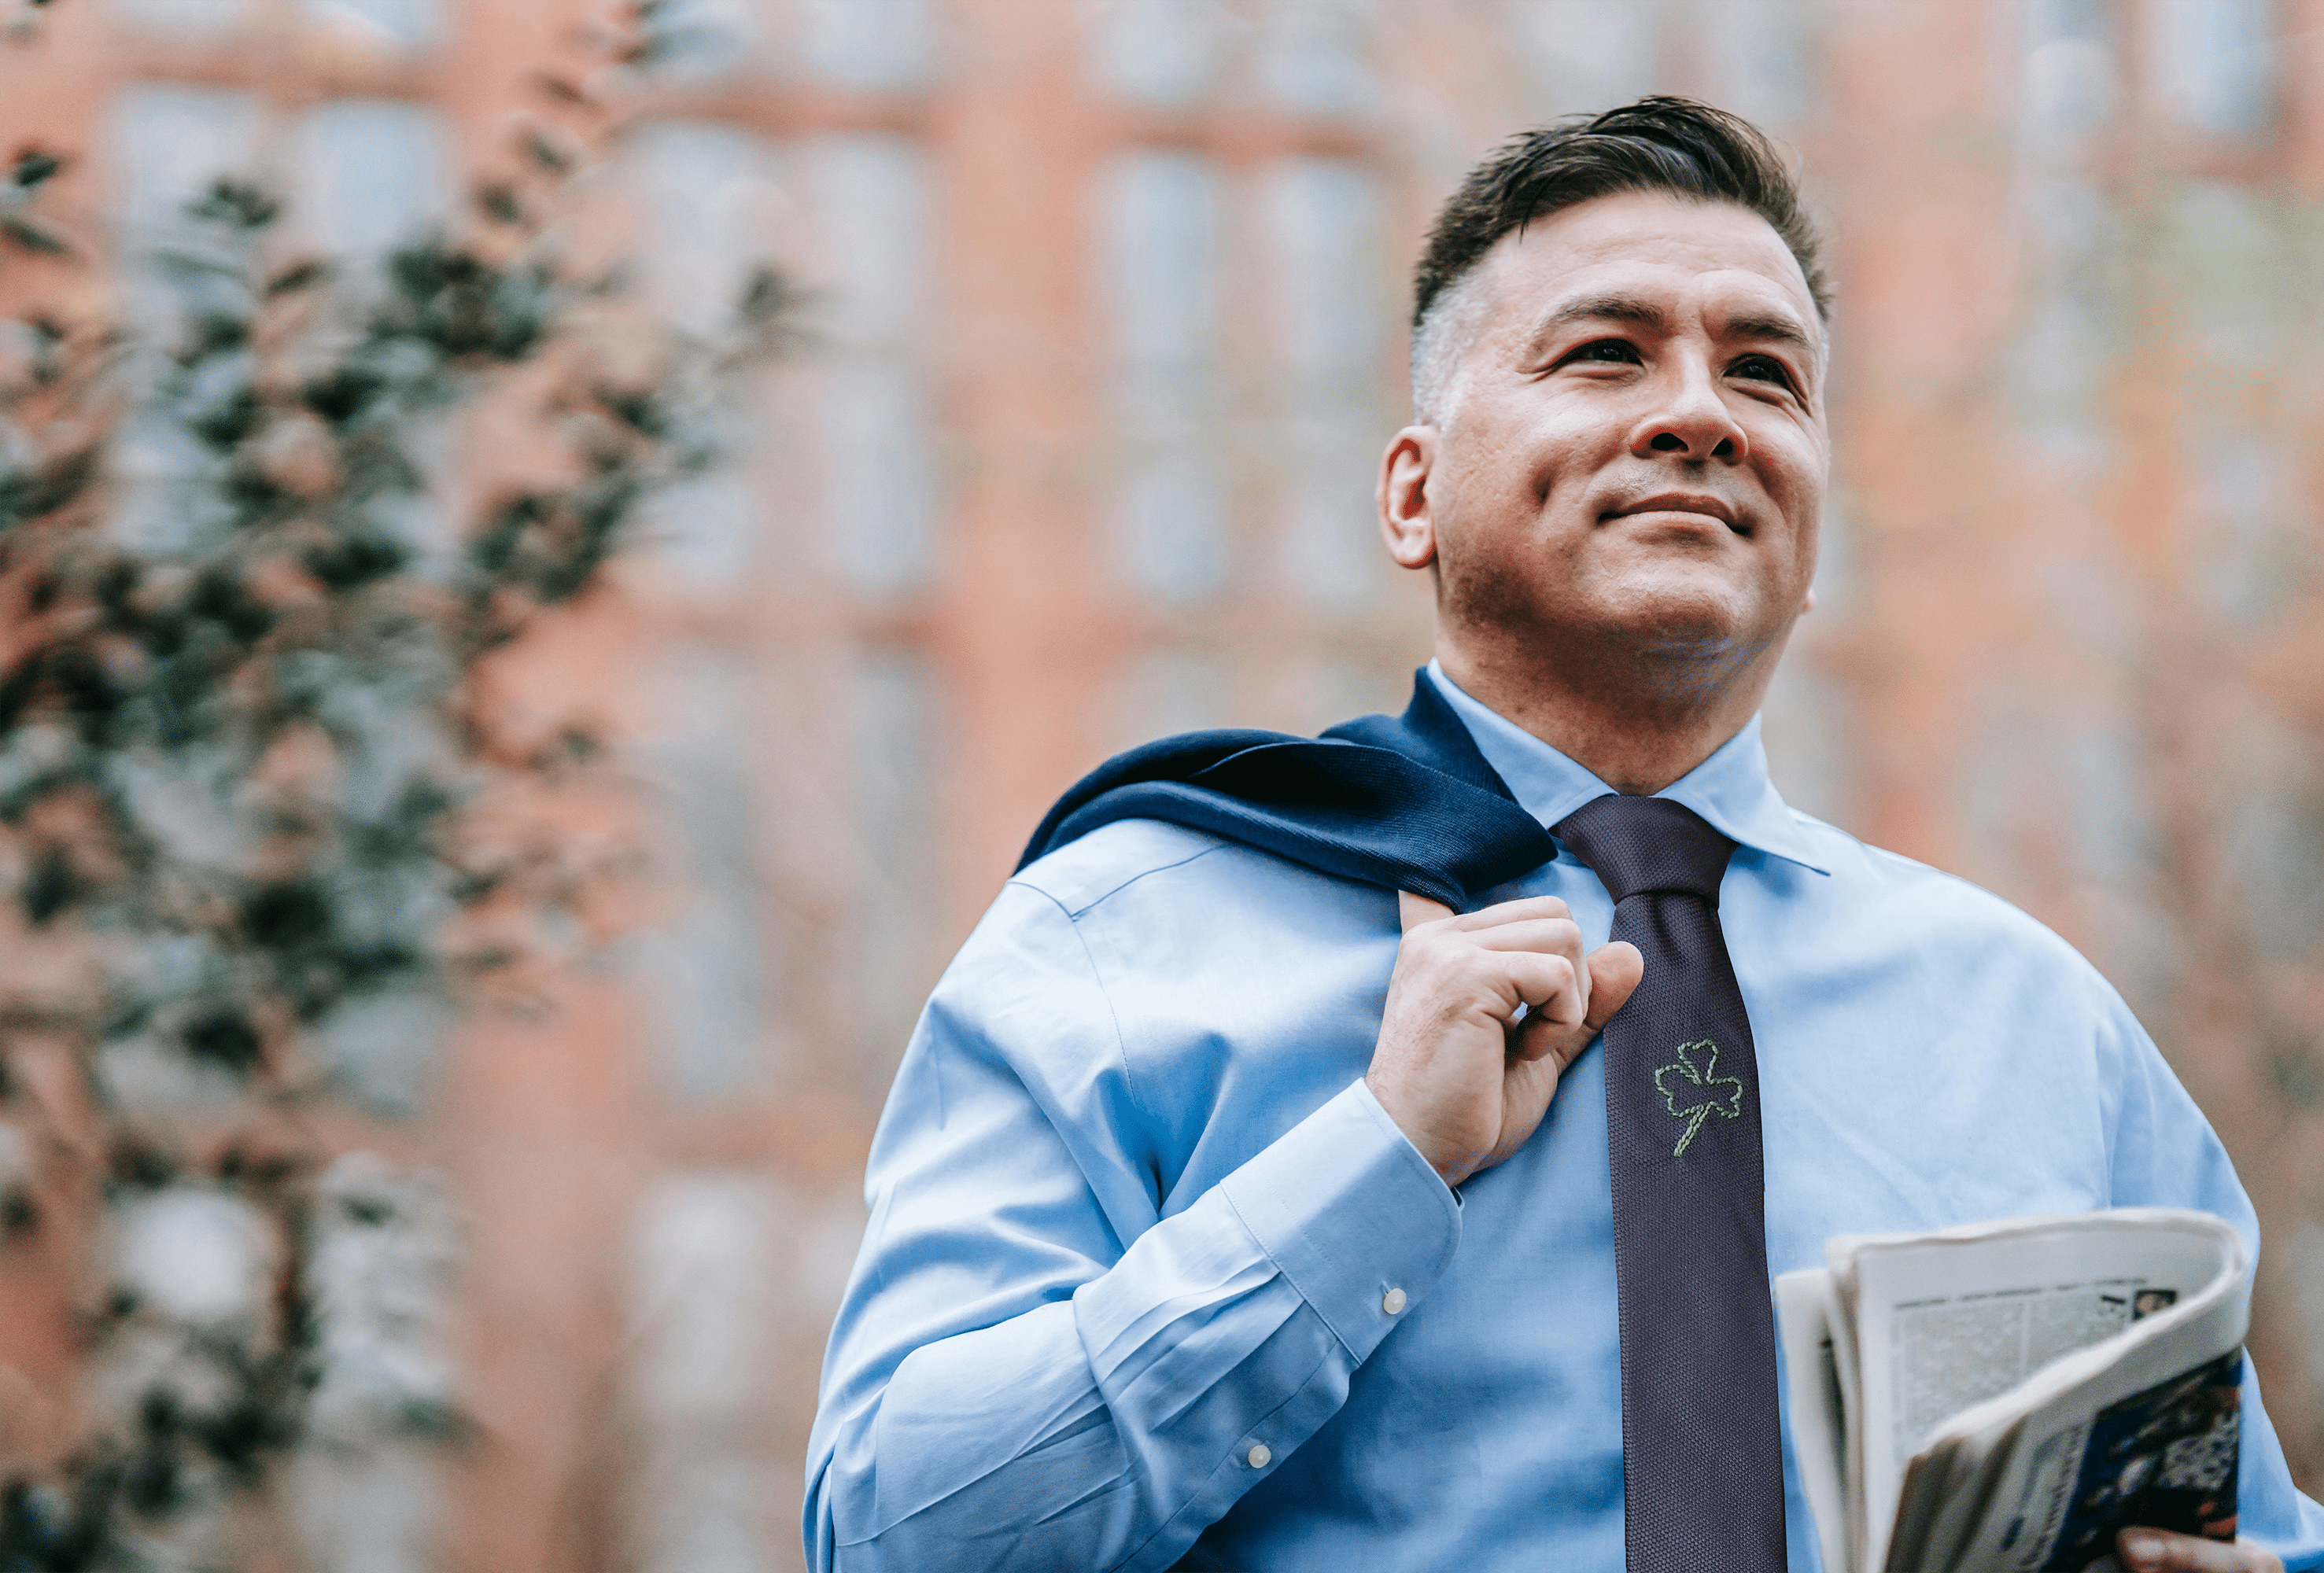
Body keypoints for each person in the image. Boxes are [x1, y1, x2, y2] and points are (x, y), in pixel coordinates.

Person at [802, 98, 2324, 1572]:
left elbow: (2246, 1529)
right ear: (1414, 496)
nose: (1698, 415)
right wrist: (1375, 1163)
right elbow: (894, 1531)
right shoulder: (1120, 939)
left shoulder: (2038, 1029)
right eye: (1605, 354)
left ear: (1810, 535)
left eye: (1765, 377)